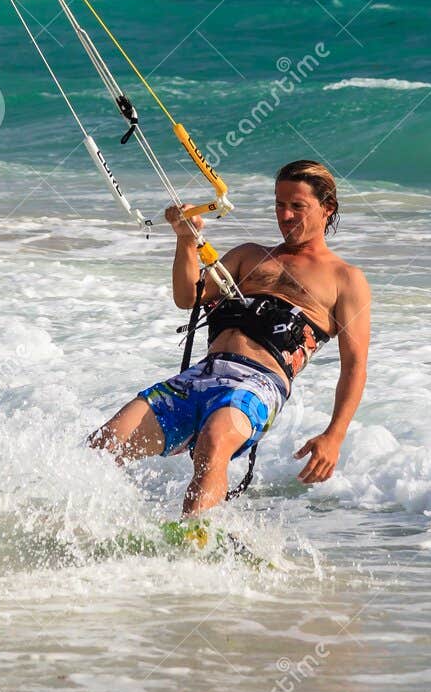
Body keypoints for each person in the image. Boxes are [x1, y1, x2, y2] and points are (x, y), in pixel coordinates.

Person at [88, 160, 370, 515]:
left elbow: (355, 367)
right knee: (105, 444)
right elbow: (187, 297)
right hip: (201, 376)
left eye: (297, 206)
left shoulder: (345, 279)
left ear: (327, 208)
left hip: (258, 386)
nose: (285, 215)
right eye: (279, 205)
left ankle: (193, 546)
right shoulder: (250, 255)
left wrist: (335, 435)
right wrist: (186, 241)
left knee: (213, 443)